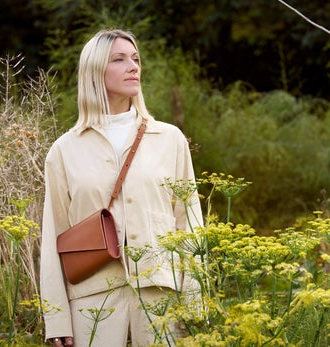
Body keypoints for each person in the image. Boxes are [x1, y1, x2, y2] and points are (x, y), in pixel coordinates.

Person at [40, 29, 203, 347]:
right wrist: (56, 317)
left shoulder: (170, 139)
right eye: (119, 59)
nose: (133, 67)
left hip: (161, 295)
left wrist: (196, 302)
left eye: (135, 59)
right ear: (95, 71)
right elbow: (53, 237)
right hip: (92, 300)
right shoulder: (64, 150)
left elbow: (190, 223)